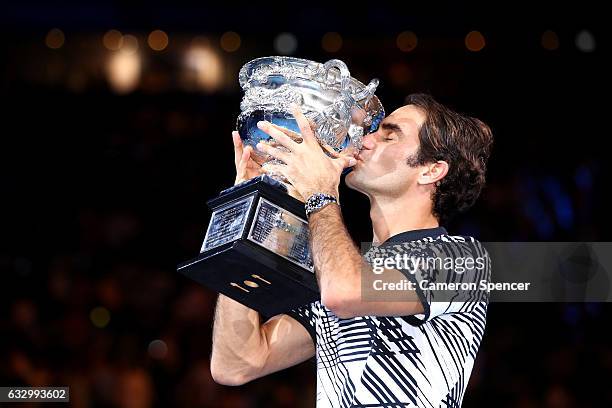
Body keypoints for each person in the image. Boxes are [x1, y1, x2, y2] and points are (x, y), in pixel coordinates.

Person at [210, 93, 494, 407]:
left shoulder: (464, 261)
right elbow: (236, 364)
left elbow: (343, 293)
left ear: (431, 170)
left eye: (389, 135)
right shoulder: (339, 264)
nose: (366, 140)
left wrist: (321, 191)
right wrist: (253, 204)